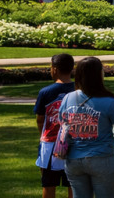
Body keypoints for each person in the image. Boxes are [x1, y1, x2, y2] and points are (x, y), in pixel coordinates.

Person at [57, 56, 114, 197]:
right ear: (99, 75)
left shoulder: (68, 98)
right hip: (102, 159)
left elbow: (62, 123)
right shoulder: (109, 101)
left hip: (74, 159)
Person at [35, 52, 76, 198]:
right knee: (73, 184)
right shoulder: (78, 90)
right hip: (74, 143)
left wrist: (43, 135)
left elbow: (40, 119)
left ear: (54, 69)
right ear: (72, 68)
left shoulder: (45, 92)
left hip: (49, 145)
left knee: (48, 184)